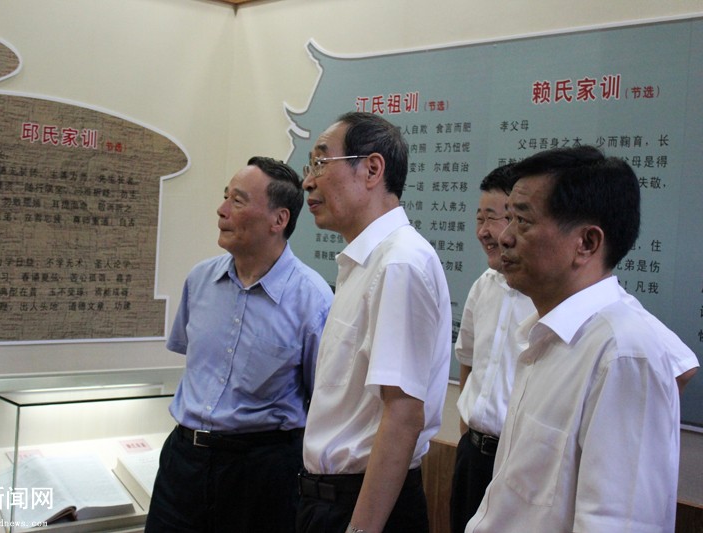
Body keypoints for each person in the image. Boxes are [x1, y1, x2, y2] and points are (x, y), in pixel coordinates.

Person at [452, 163, 699, 533]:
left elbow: (615, 523)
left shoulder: (623, 353)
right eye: (507, 219)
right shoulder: (545, 334)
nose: (504, 237)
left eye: (522, 221)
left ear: (586, 243)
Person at [145, 156, 333, 533]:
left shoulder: (313, 299)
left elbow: (322, 399)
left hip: (261, 474)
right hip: (183, 464)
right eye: (225, 196)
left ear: (279, 220)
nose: (222, 210)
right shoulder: (200, 280)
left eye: (238, 200)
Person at [296, 111, 452, 533]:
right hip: (327, 499)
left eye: (320, 163)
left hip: (364, 506)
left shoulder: (399, 263)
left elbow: (402, 414)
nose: (308, 181)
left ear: (371, 169)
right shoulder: (365, 262)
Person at [449, 164, 535, 533]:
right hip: (473, 455)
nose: (484, 231)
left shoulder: (547, 297)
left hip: (520, 464)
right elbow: (468, 362)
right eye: (479, 218)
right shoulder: (482, 287)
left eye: (493, 218)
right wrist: (466, 432)